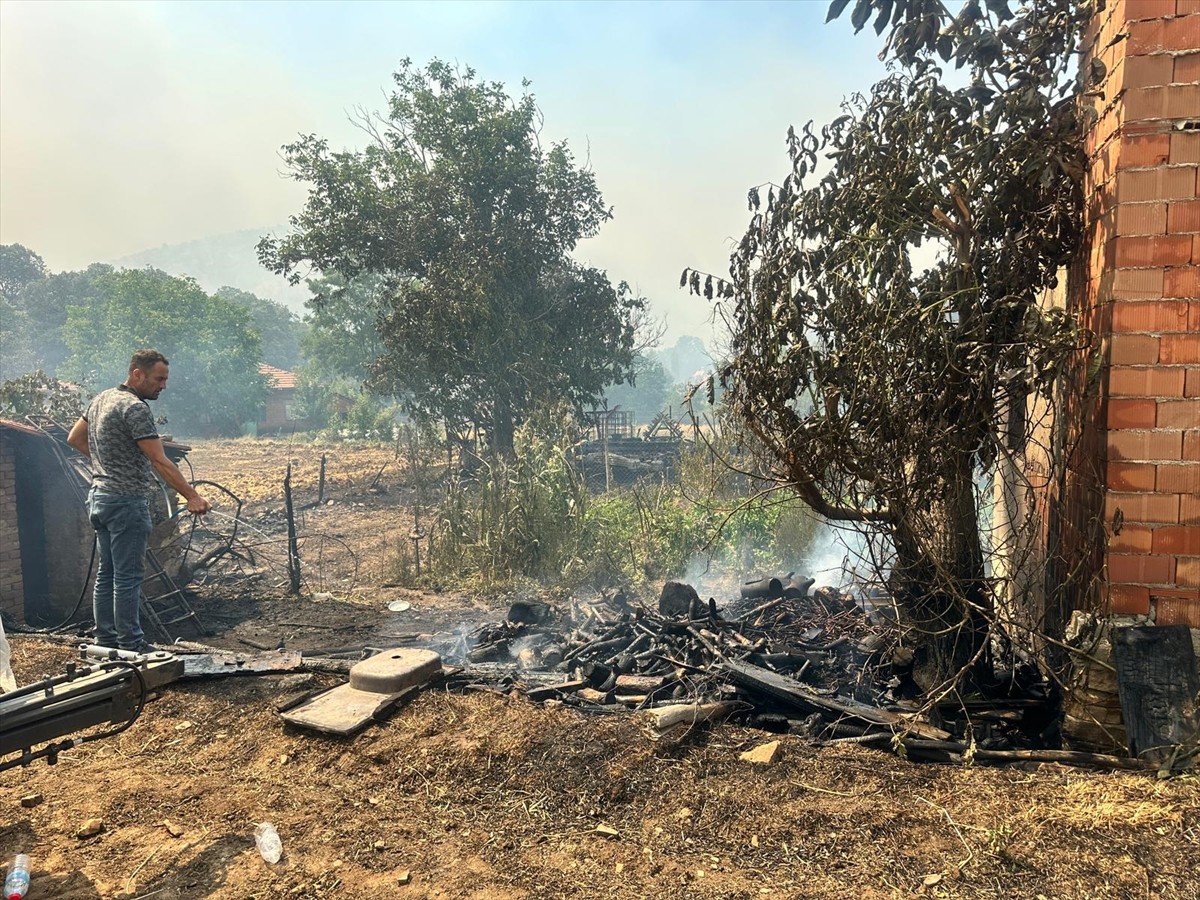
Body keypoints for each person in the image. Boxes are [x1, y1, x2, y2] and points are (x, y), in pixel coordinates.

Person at [66, 349, 211, 653]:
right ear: (137, 374)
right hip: (125, 502)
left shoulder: (102, 399)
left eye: (166, 379)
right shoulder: (135, 408)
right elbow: (159, 461)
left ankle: (105, 642)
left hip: (99, 498)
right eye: (159, 379)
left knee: (107, 573)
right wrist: (192, 496)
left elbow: (75, 439)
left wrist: (108, 462)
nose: (163, 386)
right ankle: (132, 644)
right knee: (129, 577)